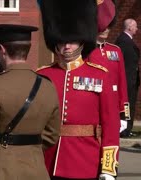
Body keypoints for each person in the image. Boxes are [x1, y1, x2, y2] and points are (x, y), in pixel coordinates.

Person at [37, 0, 120, 179]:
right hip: (47, 160)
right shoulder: (43, 75)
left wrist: (108, 168)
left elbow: (111, 125)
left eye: (72, 41)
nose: (67, 46)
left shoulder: (100, 75)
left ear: (82, 41)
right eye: (62, 41)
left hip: (85, 160)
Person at [0, 24, 61, 180]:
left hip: (2, 166)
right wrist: (30, 148)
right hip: (36, 167)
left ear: (3, 50)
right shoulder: (47, 85)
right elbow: (52, 134)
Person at [88, 0, 130, 133]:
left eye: (108, 26)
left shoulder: (116, 51)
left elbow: (122, 84)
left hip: (112, 108)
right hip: (93, 107)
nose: (106, 29)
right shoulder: (86, 50)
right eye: (103, 26)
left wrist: (125, 114)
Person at [115, 18, 140, 138]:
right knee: (126, 105)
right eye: (135, 26)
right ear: (129, 27)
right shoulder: (123, 41)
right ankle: (124, 129)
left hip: (131, 81)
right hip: (126, 81)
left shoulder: (127, 40)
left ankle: (127, 129)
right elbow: (118, 62)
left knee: (130, 104)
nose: (137, 29)